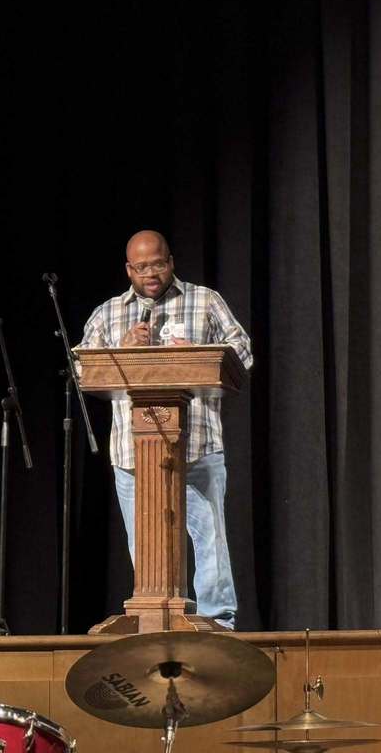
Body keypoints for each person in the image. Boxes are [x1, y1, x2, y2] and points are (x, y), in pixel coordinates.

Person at [78, 230, 253, 629]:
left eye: (157, 264)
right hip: (132, 451)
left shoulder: (204, 300)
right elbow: (83, 371)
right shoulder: (108, 313)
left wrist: (199, 356)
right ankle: (155, 617)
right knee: (144, 541)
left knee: (209, 537)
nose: (150, 274)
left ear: (171, 261)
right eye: (141, 268)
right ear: (129, 270)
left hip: (197, 446)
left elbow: (242, 351)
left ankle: (217, 620)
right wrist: (121, 348)